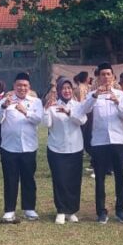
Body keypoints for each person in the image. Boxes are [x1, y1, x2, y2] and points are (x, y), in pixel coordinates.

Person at [73, 63, 123, 223]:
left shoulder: (120, 94)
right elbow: (84, 110)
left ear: (113, 77)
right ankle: (101, 212)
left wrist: (117, 102)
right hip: (99, 141)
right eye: (103, 74)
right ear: (98, 77)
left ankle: (120, 210)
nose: (106, 77)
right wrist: (95, 96)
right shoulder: (92, 94)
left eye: (108, 74)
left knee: (120, 176)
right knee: (99, 178)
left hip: (118, 140)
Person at [0, 72, 44, 223]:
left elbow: (38, 120)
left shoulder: (35, 102)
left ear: (29, 87)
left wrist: (25, 111)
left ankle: (29, 209)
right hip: (9, 147)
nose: (22, 88)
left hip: (29, 146)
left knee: (28, 178)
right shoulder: (5, 100)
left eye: (25, 85)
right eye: (19, 85)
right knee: (10, 179)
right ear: (14, 86)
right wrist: (3, 107)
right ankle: (9, 210)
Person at [44, 79, 86, 224]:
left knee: (74, 180)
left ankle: (71, 211)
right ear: (59, 90)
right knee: (60, 180)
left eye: (69, 88)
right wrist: (46, 110)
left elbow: (82, 121)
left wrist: (68, 112)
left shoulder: (78, 105)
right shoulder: (53, 106)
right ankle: (61, 210)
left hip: (75, 147)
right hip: (57, 148)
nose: (66, 91)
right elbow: (47, 123)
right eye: (63, 88)